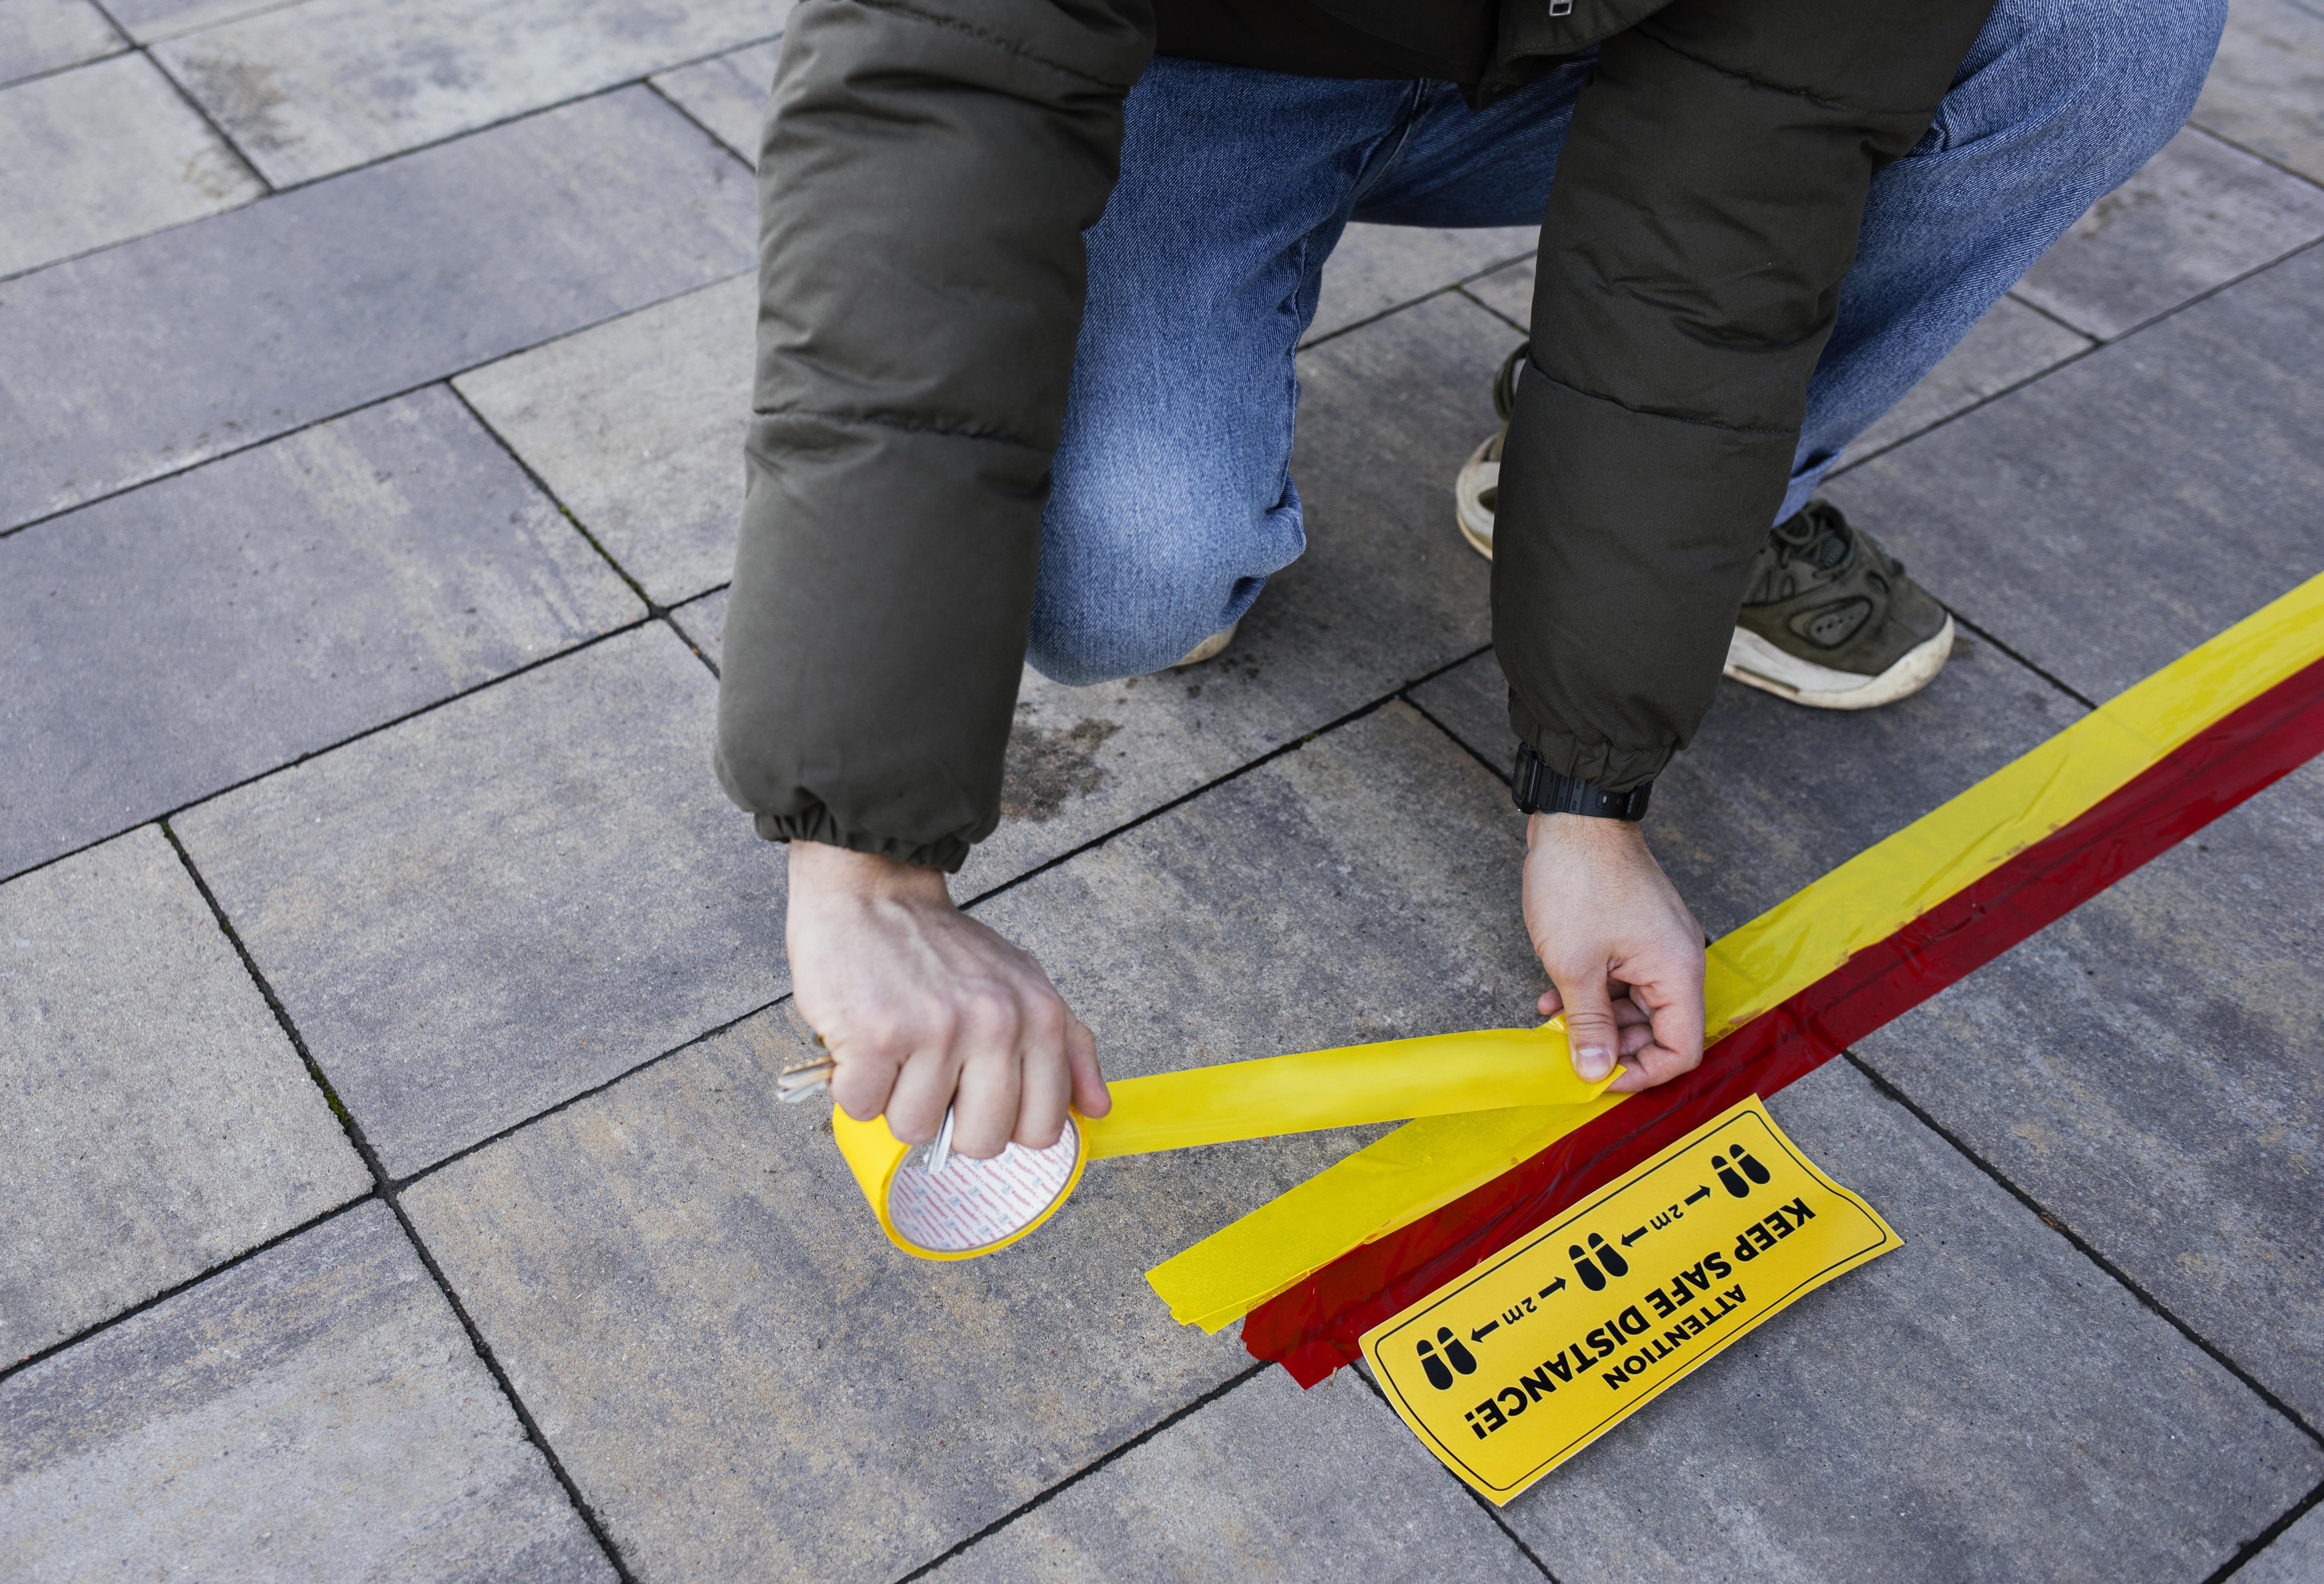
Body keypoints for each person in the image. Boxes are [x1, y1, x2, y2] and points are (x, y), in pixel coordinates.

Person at [714, 0, 2224, 1161]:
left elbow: (1715, 247)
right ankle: (1214, 456)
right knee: (1124, 579)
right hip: (1203, 53)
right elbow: (931, 117)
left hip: (1612, 42)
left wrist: (1591, 795)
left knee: (2105, 26)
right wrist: (866, 865)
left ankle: (1700, 500)